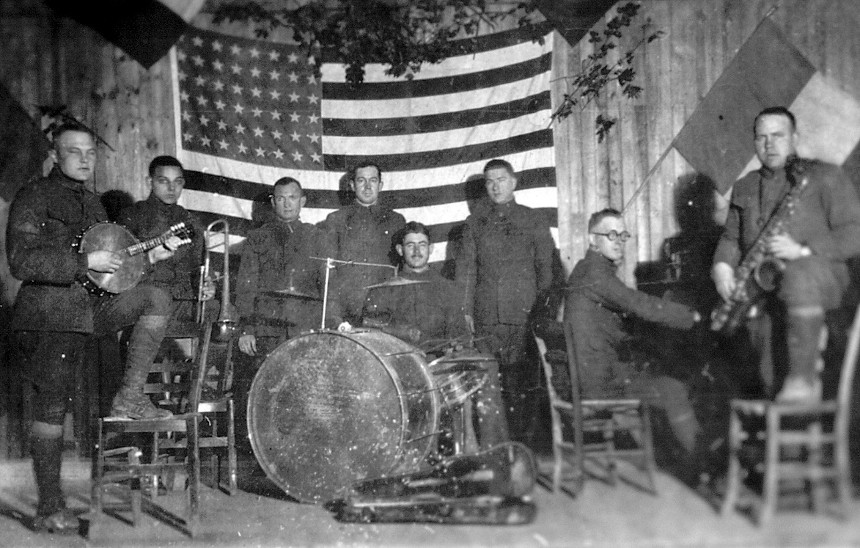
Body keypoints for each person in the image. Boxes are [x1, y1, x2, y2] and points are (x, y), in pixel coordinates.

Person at [7, 122, 180, 533]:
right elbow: (21, 262)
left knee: (156, 297)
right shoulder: (34, 196)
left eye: (90, 153)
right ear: (55, 154)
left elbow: (110, 278)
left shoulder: (96, 205)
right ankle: (49, 508)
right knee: (53, 406)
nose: (85, 160)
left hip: (88, 312)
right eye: (74, 152)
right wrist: (86, 263)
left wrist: (149, 261)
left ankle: (130, 397)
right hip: (49, 316)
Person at [711, 106, 860, 403]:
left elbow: (854, 232)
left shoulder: (825, 176)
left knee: (798, 273)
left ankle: (801, 380)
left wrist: (803, 251)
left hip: (821, 280)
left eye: (778, 136)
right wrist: (722, 267)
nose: (769, 144)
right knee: (756, 353)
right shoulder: (745, 186)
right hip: (767, 286)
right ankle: (773, 416)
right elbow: (730, 238)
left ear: (795, 138)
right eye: (761, 137)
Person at [565, 208, 703, 471]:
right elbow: (637, 303)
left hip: (592, 374)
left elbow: (613, 321)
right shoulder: (595, 274)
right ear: (593, 240)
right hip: (599, 384)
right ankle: (703, 467)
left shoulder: (586, 270)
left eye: (622, 235)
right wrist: (691, 316)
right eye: (610, 234)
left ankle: (673, 458)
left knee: (657, 368)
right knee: (672, 389)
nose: (618, 241)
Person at [358, 221, 509, 449]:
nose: (417, 251)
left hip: (440, 365)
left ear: (431, 249)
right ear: (400, 250)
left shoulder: (447, 288)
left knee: (486, 364)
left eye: (422, 245)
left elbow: (459, 335)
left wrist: (457, 346)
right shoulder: (382, 291)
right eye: (410, 245)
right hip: (402, 369)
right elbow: (372, 335)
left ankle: (493, 452)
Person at [455, 158, 555, 445]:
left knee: (520, 385)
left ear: (514, 182)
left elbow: (546, 271)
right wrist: (465, 312)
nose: (495, 186)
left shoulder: (533, 219)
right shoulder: (474, 224)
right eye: (489, 181)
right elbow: (466, 272)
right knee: (488, 387)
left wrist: (542, 313)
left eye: (501, 179)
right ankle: (494, 450)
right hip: (486, 319)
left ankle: (522, 449)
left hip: (523, 318)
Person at [234, 177, 333, 445]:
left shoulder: (317, 237)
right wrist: (246, 329)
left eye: (292, 197)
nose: (287, 203)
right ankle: (268, 455)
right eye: (280, 198)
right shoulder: (258, 238)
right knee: (269, 393)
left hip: (305, 326)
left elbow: (328, 287)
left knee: (307, 392)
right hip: (267, 328)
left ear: (303, 201)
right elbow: (245, 287)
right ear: (273, 202)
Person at [117, 155, 215, 325]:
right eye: (163, 181)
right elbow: (121, 269)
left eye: (177, 182)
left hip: (184, 301)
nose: (172, 188)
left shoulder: (190, 220)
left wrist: (209, 284)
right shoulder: (131, 216)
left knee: (226, 314)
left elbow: (203, 266)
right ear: (150, 182)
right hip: (147, 299)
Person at [320, 162, 405, 325]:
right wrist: (333, 315)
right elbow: (328, 271)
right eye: (361, 181)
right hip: (348, 312)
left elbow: (402, 269)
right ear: (352, 185)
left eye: (372, 181)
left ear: (380, 185)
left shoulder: (396, 221)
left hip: (386, 311)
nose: (367, 187)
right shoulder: (336, 220)